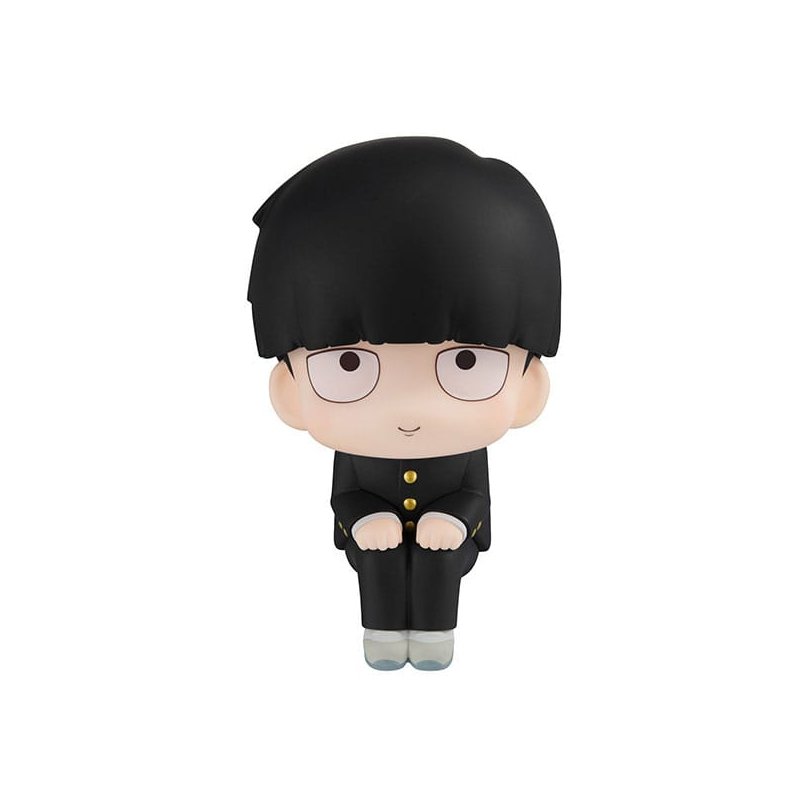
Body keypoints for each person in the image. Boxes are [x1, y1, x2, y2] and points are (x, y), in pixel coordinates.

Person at [248, 136, 561, 669]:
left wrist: (456, 521)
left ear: (529, 388)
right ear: (289, 392)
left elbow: (475, 495)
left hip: (454, 540)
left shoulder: (465, 449)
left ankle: (436, 639)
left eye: (466, 363)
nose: (409, 410)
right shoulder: (355, 451)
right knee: (379, 559)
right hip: (370, 542)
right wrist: (365, 519)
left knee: (439, 561)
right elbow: (345, 496)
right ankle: (383, 637)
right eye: (348, 365)